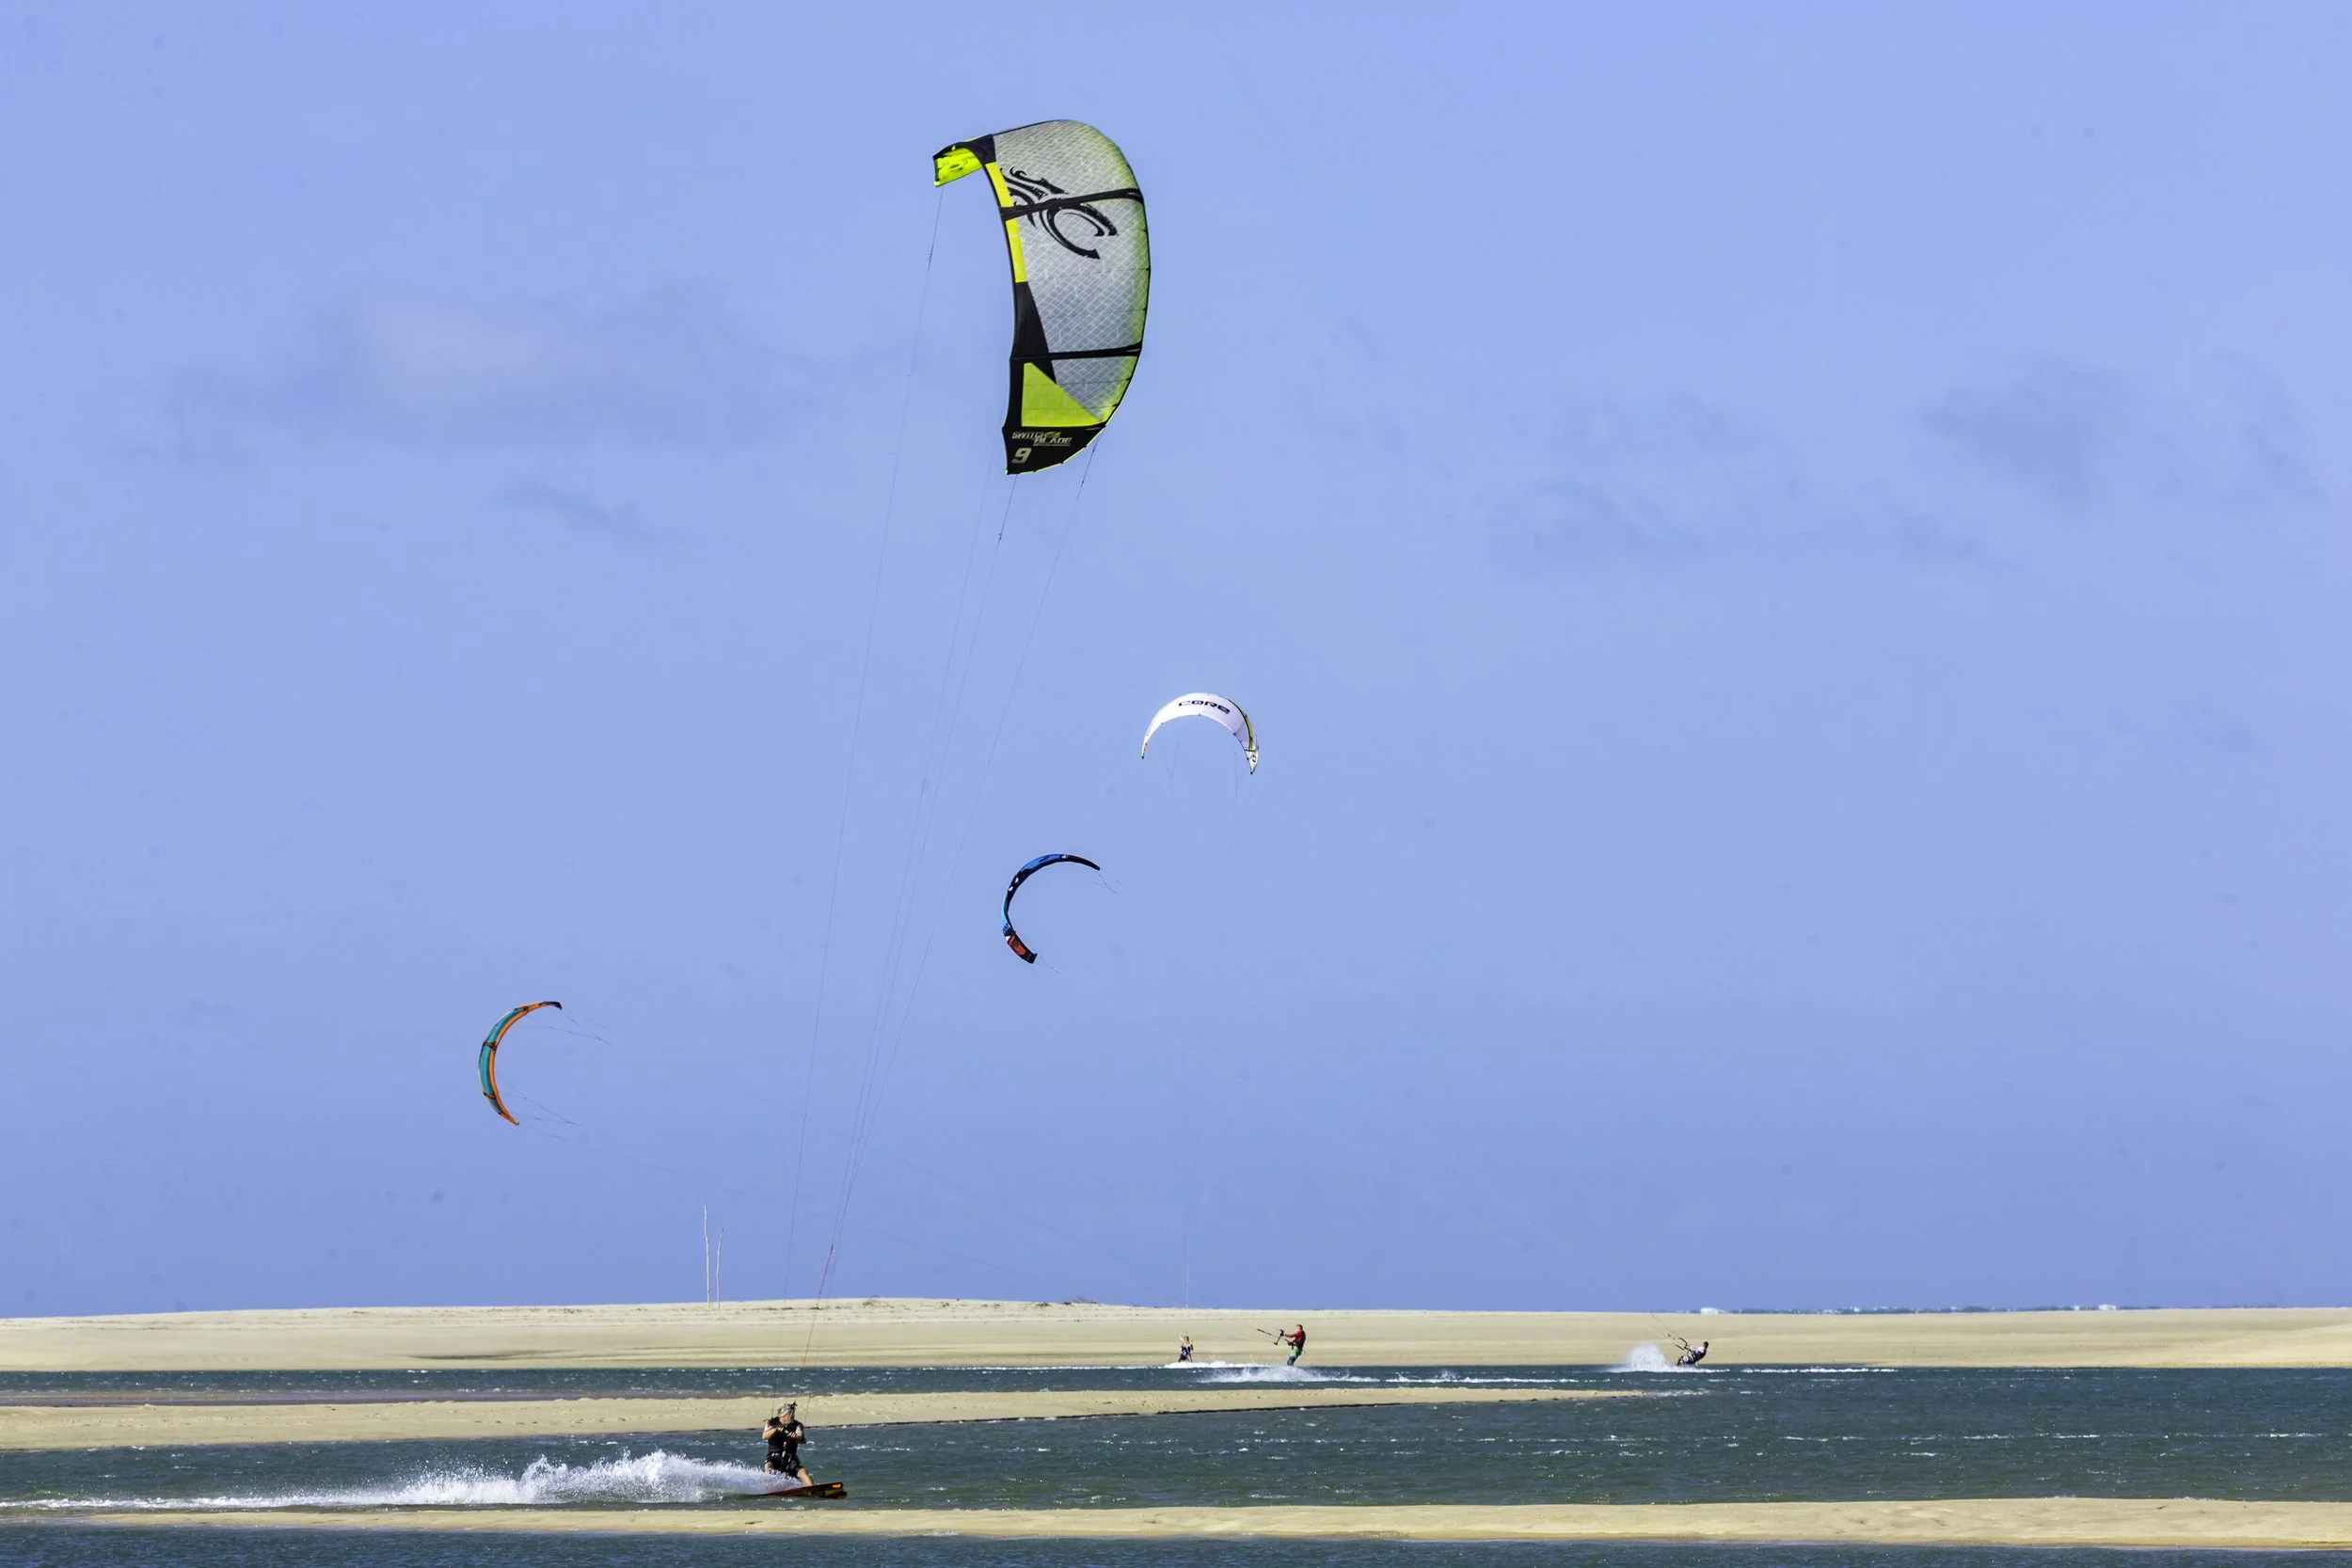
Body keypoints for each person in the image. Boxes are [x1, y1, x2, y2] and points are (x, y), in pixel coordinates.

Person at [763, 1402, 811, 1483]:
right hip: (774, 1457)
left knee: (803, 1472)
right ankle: (768, 1490)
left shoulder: (798, 1425)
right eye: (790, 1414)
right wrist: (776, 1429)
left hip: (790, 1459)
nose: (793, 1415)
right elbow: (764, 1436)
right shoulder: (771, 1423)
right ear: (783, 1415)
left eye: (793, 1413)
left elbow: (803, 1440)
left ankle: (812, 1491)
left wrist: (796, 1437)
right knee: (768, 1466)